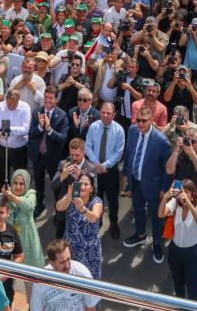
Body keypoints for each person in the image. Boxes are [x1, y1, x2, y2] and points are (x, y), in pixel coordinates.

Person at [123, 104, 172, 262]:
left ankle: (156, 243)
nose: (140, 124)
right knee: (138, 210)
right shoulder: (132, 131)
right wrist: (125, 175)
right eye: (138, 120)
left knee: (157, 217)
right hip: (136, 182)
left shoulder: (161, 141)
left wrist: (164, 189)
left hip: (154, 187)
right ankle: (140, 235)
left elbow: (168, 168)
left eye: (144, 121)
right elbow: (129, 153)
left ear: (151, 121)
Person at [159, 179, 197, 309]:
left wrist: (189, 204)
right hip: (175, 252)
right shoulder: (175, 203)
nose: (182, 195)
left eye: (185, 192)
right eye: (180, 192)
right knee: (178, 285)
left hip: (192, 254)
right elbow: (161, 214)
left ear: (193, 194)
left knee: (193, 289)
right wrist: (166, 197)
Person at [28, 238, 100, 311]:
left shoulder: (82, 274)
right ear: (52, 263)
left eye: (68, 259)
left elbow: (91, 306)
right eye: (62, 262)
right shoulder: (40, 281)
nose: (67, 266)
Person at [84, 101, 125, 240]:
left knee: (112, 199)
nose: (105, 115)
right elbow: (88, 146)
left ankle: (113, 223)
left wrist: (105, 166)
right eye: (103, 112)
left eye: (108, 113)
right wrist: (97, 165)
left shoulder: (119, 130)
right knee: (96, 196)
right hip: (94, 169)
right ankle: (97, 220)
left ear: (114, 115)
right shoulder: (93, 127)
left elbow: (118, 152)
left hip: (110, 171)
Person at [30, 86, 71, 219]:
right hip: (38, 155)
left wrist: (49, 130)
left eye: (51, 98)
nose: (47, 100)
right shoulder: (37, 112)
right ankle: (39, 204)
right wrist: (40, 127)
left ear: (56, 99)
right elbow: (31, 134)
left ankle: (58, 209)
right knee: (38, 182)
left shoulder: (62, 115)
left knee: (56, 185)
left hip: (53, 157)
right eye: (46, 97)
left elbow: (63, 138)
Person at [57, 171, 105, 279]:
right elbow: (59, 207)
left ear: (91, 189)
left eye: (86, 184)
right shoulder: (71, 197)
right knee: (70, 276)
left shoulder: (97, 201)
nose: (82, 187)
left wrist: (82, 208)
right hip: (71, 247)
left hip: (89, 250)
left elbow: (94, 218)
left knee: (89, 278)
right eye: (80, 184)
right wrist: (68, 198)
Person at [5, 168, 44, 272]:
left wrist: (13, 198)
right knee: (10, 272)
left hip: (27, 238)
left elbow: (29, 205)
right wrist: (3, 197)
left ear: (26, 184)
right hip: (9, 238)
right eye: (15, 183)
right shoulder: (6, 192)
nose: (18, 187)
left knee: (30, 272)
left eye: (21, 184)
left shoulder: (31, 194)